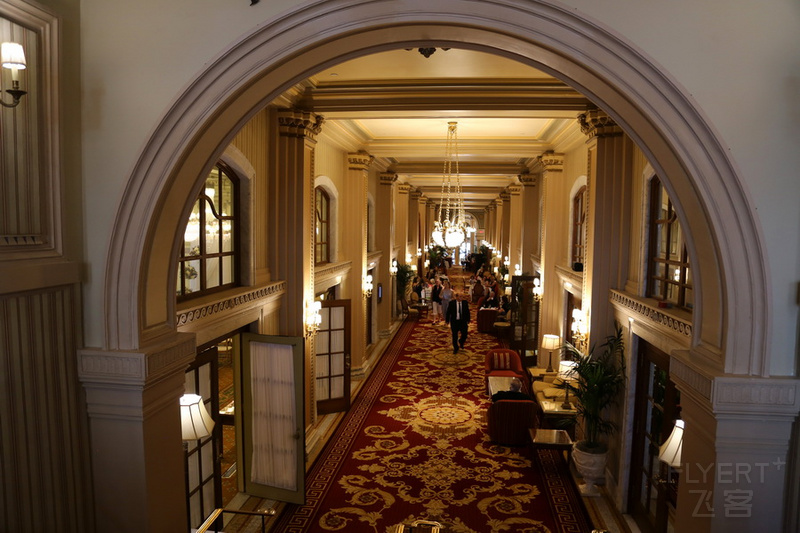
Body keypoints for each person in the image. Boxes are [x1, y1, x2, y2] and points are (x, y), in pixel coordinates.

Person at [445, 289, 470, 353]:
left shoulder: (465, 303)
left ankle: (461, 341)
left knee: (465, 334)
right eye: (460, 296)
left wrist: (468, 319)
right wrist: (447, 320)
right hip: (454, 321)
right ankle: (455, 348)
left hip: (463, 321)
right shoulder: (452, 303)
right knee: (454, 335)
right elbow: (448, 312)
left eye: (462, 296)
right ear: (456, 297)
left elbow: (467, 312)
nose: (461, 298)